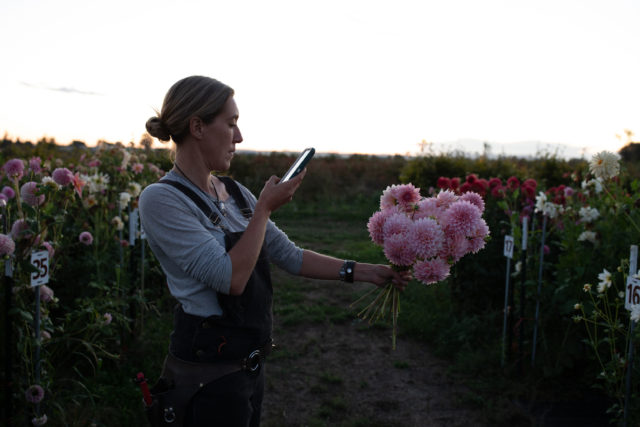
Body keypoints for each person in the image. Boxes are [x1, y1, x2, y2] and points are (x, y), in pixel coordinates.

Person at [139, 75, 409, 426]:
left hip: (247, 367)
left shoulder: (235, 193)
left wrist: (364, 271)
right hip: (206, 374)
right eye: (231, 123)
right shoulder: (162, 199)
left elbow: (290, 256)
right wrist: (264, 210)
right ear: (197, 127)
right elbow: (231, 278)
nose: (239, 137)